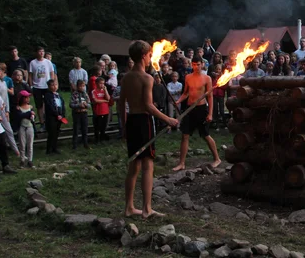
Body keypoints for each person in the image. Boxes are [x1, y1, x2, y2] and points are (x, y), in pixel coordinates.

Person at [119, 40, 179, 218]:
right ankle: (146, 208)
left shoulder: (126, 77)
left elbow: (121, 103)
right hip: (143, 122)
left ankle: (129, 207)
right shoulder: (147, 78)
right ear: (144, 55)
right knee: (147, 165)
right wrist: (168, 119)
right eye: (149, 54)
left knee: (133, 165)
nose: (151, 57)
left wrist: (123, 126)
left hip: (131, 121)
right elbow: (148, 106)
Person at [174, 56, 222, 171]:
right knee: (185, 135)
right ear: (192, 65)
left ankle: (217, 159)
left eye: (198, 64)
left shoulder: (207, 78)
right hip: (190, 109)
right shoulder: (188, 77)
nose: (196, 67)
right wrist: (179, 101)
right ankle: (182, 163)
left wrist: (210, 114)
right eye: (194, 64)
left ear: (202, 65)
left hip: (201, 109)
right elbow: (185, 93)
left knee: (205, 135)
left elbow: (210, 96)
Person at [29, 47, 55, 131]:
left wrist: (52, 84)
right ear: (36, 52)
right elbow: (30, 75)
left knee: (49, 104)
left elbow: (52, 73)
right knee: (39, 106)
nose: (41, 53)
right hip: (37, 86)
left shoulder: (48, 62)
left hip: (47, 86)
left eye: (43, 51)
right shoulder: (33, 62)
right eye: (39, 51)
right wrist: (31, 85)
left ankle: (49, 122)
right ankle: (42, 123)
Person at [14, 91, 36, 168]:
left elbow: (32, 117)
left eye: (28, 97)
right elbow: (20, 116)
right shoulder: (18, 108)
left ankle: (30, 160)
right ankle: (22, 159)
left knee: (30, 144)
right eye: (25, 97)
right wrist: (29, 114)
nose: (27, 99)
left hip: (30, 126)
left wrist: (32, 115)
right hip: (22, 127)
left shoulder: (31, 107)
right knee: (22, 144)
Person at [44, 79, 65, 154]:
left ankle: (54, 148)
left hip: (59, 116)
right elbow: (50, 106)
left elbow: (62, 105)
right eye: (52, 85)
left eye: (56, 85)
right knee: (51, 133)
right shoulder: (47, 95)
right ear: (49, 86)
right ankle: (49, 149)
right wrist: (56, 114)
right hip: (52, 117)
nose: (54, 86)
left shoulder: (58, 95)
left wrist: (62, 115)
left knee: (56, 133)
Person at [70, 80, 91, 149]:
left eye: (83, 86)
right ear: (77, 86)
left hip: (84, 113)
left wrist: (86, 105)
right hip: (77, 113)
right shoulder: (74, 94)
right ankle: (74, 145)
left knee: (85, 129)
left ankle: (85, 143)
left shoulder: (85, 94)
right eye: (80, 86)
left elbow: (89, 104)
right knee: (76, 129)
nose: (82, 87)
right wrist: (79, 105)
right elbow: (71, 104)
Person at [91, 77, 111, 144]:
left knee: (103, 126)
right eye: (100, 83)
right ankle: (97, 139)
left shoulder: (104, 91)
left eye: (103, 83)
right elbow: (96, 100)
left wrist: (105, 90)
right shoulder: (94, 91)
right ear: (96, 83)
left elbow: (108, 98)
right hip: (98, 111)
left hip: (105, 111)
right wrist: (104, 100)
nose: (102, 85)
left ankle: (102, 139)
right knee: (97, 127)